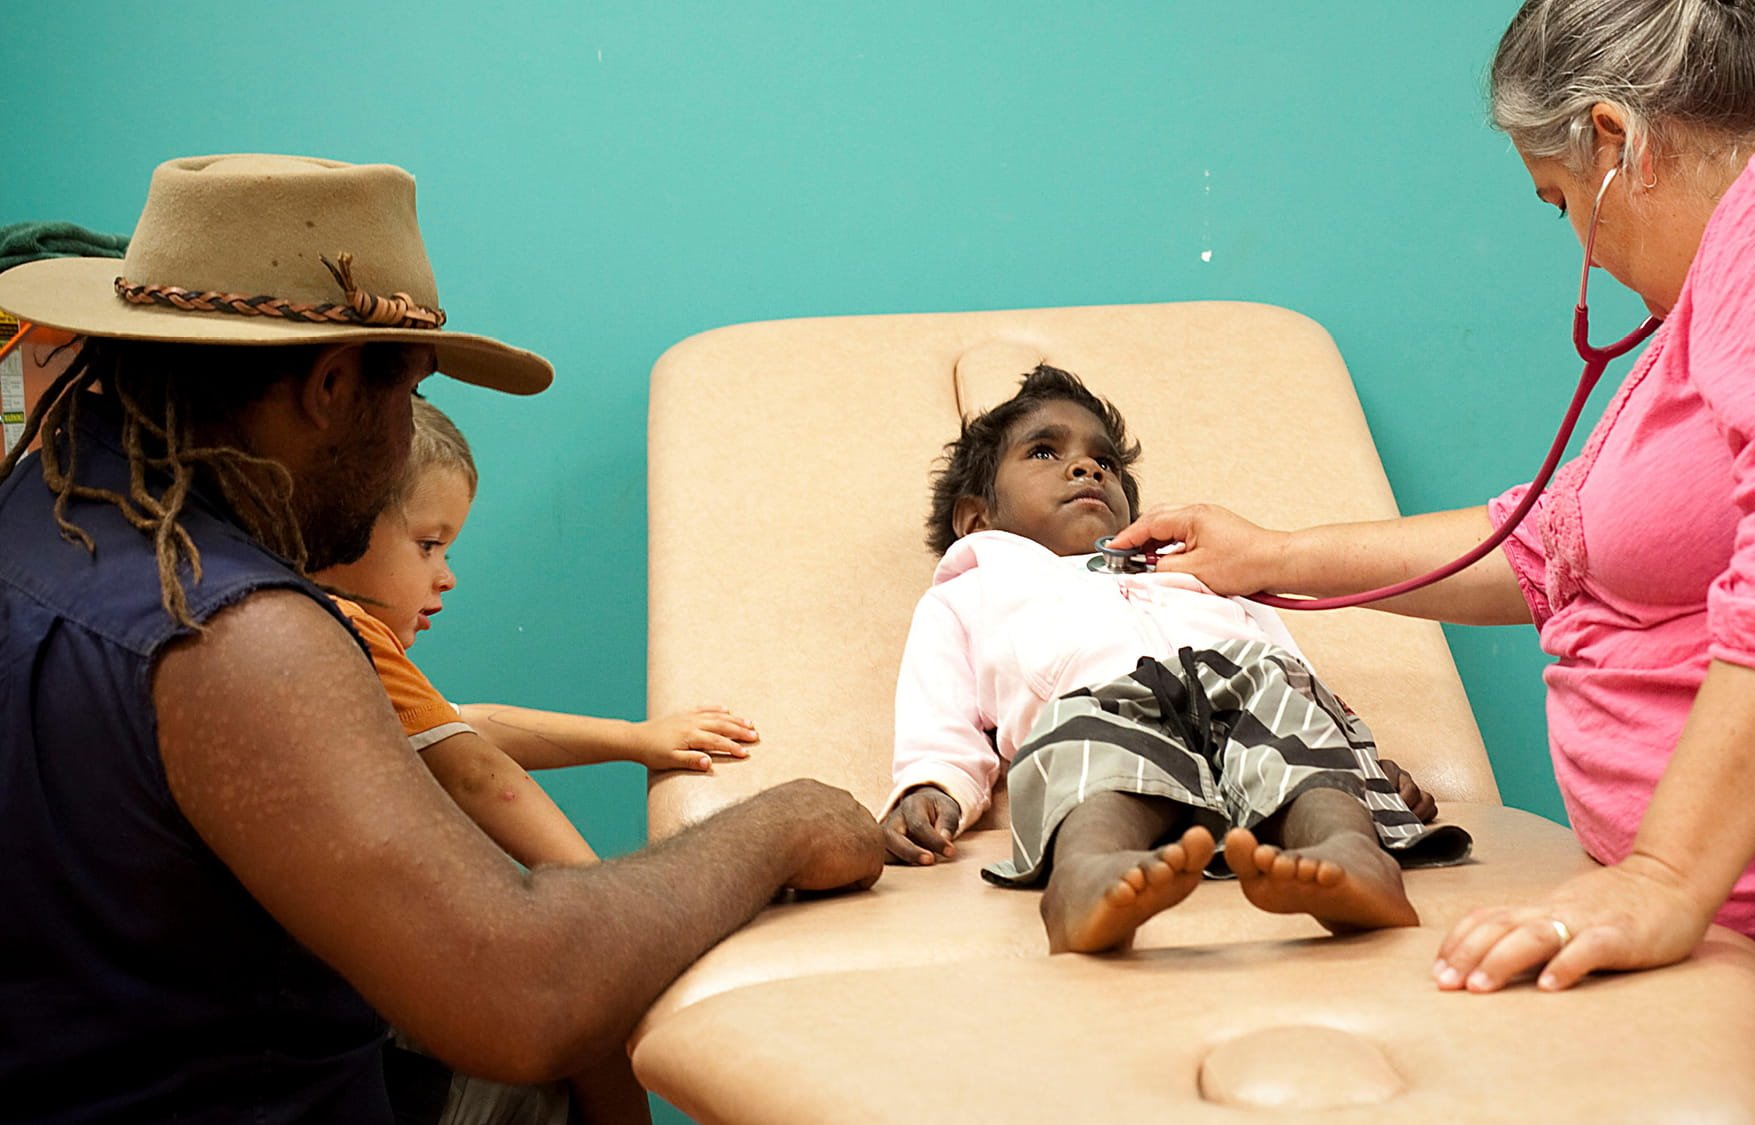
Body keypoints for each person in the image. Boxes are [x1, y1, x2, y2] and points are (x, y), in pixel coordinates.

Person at [1111, 3, 1755, 1121]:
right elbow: (1557, 544)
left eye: (1561, 203)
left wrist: (1663, 879)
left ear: (1615, 141)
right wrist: (1270, 556)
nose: (1582, 248)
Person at [0, 154, 883, 1124]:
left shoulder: (35, 512)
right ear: (332, 384)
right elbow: (519, 996)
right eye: (408, 394)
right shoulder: (235, 636)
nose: (403, 440)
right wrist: (782, 824)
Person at [880, 366, 1469, 953]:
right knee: (1076, 742)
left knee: (1282, 706)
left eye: (1105, 463)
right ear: (976, 518)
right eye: (1043, 452)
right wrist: (933, 784)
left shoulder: (1200, 569)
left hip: (1242, 694)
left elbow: (1292, 673)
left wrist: (1361, 763)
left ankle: (1351, 854)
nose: (1087, 468)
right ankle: (1086, 875)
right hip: (1104, 702)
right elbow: (940, 709)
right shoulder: (969, 592)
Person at [313, 397, 758, 869]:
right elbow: (475, 775)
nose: (447, 577)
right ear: (341, 525)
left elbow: (462, 725)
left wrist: (635, 739)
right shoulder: (342, 626)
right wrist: (608, 901)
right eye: (428, 546)